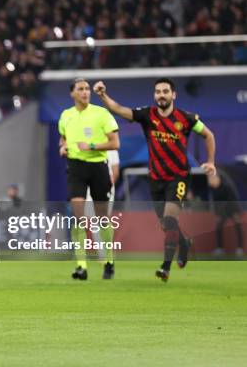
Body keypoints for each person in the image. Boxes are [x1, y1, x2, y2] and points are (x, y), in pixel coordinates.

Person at [94, 78, 216, 282]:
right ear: (154, 95)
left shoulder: (186, 118)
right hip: (156, 178)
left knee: (169, 219)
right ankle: (184, 243)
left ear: (173, 95)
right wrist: (102, 95)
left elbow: (209, 135)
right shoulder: (147, 115)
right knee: (166, 225)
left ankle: (165, 267)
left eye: (165, 91)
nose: (161, 95)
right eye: (158, 92)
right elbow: (119, 110)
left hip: (178, 177)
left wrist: (211, 161)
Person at [59, 78, 120, 280]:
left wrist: (93, 146)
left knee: (103, 219)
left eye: (87, 89)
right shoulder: (66, 115)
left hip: (98, 167)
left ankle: (109, 262)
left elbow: (115, 143)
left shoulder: (101, 113)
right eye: (81, 89)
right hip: (76, 167)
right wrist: (63, 147)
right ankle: (81, 266)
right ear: (72, 93)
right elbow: (63, 138)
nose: (85, 92)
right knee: (78, 216)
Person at [208, 170, 243, 257]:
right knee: (218, 226)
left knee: (237, 225)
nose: (210, 181)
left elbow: (233, 199)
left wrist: (236, 212)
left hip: (232, 208)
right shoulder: (213, 190)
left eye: (212, 179)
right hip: (223, 210)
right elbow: (215, 203)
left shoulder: (226, 186)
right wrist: (218, 213)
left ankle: (240, 248)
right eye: (209, 179)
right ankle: (220, 248)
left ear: (217, 179)